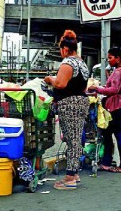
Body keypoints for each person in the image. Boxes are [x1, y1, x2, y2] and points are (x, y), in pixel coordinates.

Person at [44, 30, 90, 190]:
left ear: (65, 48)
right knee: (75, 138)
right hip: (80, 102)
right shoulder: (82, 63)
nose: (60, 52)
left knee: (72, 140)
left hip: (70, 103)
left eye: (60, 49)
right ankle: (74, 173)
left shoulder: (68, 63)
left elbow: (61, 83)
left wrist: (50, 79)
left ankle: (70, 177)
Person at [89, 46, 121, 173]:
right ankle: (119, 163)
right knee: (118, 134)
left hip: (117, 105)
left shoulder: (119, 71)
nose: (109, 60)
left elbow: (114, 90)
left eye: (110, 58)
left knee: (110, 134)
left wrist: (96, 89)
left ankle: (112, 163)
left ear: (118, 58)